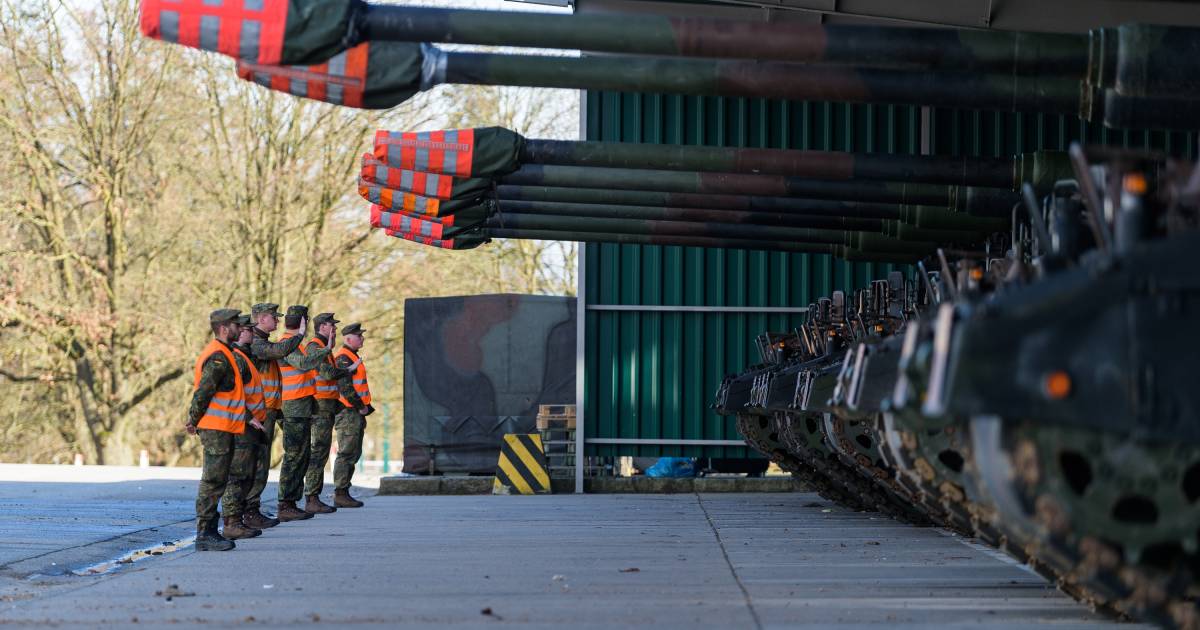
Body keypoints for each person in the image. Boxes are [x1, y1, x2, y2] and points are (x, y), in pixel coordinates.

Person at [186, 308, 246, 551]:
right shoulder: (218, 357)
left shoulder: (225, 353)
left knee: (218, 481)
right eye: (235, 325)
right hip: (215, 428)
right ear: (223, 328)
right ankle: (205, 534)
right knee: (213, 481)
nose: (239, 328)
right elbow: (204, 391)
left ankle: (209, 532)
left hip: (222, 427)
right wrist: (194, 418)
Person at [275, 305, 335, 522]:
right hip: (292, 407)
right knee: (294, 456)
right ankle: (285, 504)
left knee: (301, 455)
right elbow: (303, 364)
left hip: (300, 406)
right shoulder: (287, 345)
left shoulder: (295, 345)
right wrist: (327, 349)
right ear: (304, 322)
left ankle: (292, 502)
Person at [246, 302, 301, 528]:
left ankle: (250, 510)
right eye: (273, 318)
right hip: (261, 411)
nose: (277, 321)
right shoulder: (257, 344)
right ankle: (249, 512)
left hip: (268, 408)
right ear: (261, 319)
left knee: (262, 461)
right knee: (257, 463)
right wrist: (300, 335)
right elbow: (279, 351)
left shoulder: (261, 342)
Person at [302, 313, 361, 514]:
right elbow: (326, 373)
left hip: (326, 407)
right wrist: (348, 371)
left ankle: (314, 497)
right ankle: (311, 498)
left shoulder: (323, 348)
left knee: (321, 453)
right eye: (332, 326)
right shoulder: (315, 348)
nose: (335, 330)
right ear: (323, 327)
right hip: (319, 406)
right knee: (317, 452)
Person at [219, 315, 268, 539]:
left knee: (247, 474)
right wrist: (249, 416)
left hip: (252, 425)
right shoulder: (238, 358)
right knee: (237, 475)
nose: (249, 333)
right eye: (248, 329)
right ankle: (231, 522)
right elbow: (231, 393)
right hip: (242, 425)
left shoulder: (245, 357)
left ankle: (238, 519)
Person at [332, 322, 375, 508]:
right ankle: (340, 493)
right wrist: (360, 406)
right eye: (359, 336)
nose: (362, 338)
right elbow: (346, 388)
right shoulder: (344, 358)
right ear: (349, 339)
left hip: (354, 412)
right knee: (347, 452)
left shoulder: (351, 356)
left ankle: (344, 492)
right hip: (349, 412)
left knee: (353, 453)